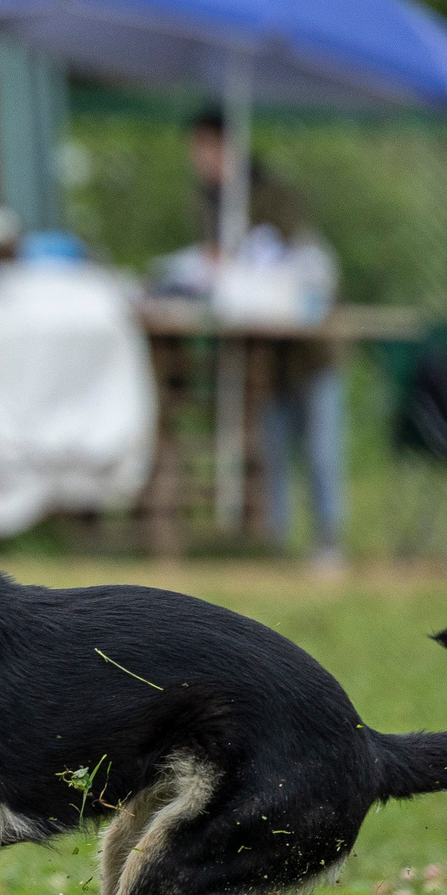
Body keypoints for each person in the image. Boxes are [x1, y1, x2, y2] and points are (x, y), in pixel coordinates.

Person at [187, 107, 345, 573]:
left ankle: (328, 540)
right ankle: (273, 544)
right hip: (262, 356)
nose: (200, 160)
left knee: (319, 449)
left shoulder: (276, 194)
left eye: (207, 148)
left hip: (309, 350)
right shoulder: (207, 202)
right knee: (271, 451)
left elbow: (296, 261)